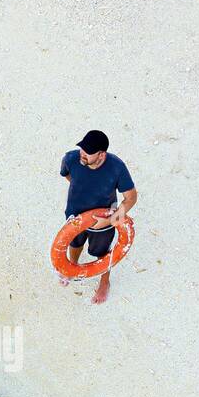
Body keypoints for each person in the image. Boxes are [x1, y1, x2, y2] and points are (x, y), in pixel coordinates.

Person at [59, 130, 137, 304]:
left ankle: (104, 283)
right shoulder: (71, 159)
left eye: (88, 152)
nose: (82, 153)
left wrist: (109, 220)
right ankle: (71, 268)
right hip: (75, 215)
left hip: (103, 223)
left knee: (101, 253)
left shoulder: (117, 167)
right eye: (82, 148)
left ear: (101, 154)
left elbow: (131, 197)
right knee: (75, 243)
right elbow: (67, 175)